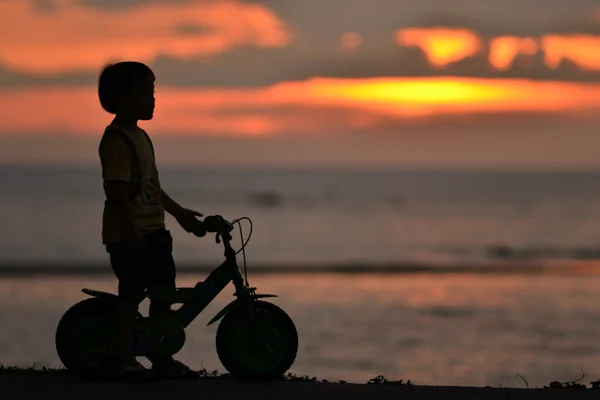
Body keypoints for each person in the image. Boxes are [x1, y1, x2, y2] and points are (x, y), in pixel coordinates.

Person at [97, 61, 202, 381]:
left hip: (155, 231)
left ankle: (161, 355)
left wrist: (179, 213)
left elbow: (152, 188)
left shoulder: (142, 137)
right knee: (131, 292)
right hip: (130, 233)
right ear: (121, 98)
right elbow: (116, 192)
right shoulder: (117, 139)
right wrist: (131, 233)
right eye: (145, 92)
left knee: (162, 293)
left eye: (152, 92)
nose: (152, 99)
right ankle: (125, 358)